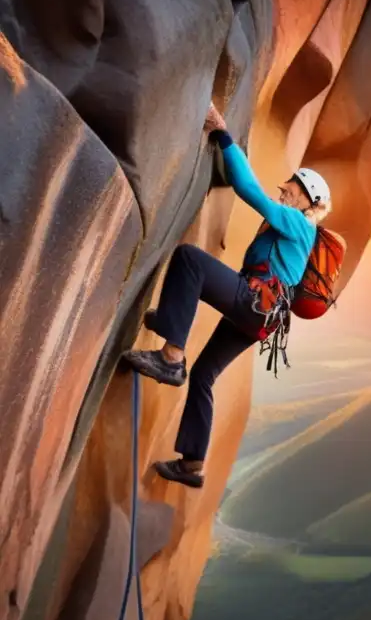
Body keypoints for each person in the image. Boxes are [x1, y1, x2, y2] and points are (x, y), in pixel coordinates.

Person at [122, 102, 332, 488]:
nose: (284, 188)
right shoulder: (291, 227)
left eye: (293, 186)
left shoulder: (298, 223)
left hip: (254, 306)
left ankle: (170, 357)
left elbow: (248, 189)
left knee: (190, 260)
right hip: (261, 319)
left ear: (308, 200)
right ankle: (193, 464)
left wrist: (223, 134)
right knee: (203, 375)